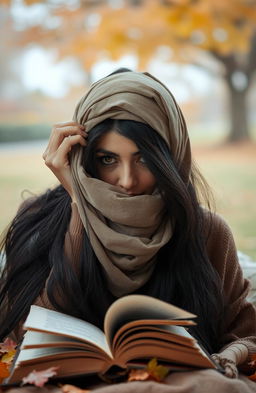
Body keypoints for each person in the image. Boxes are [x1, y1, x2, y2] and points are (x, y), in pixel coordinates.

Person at [1, 68, 256, 393]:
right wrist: (79, 206)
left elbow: (244, 334)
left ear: (171, 157)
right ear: (82, 158)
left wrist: (225, 358)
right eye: (107, 159)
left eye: (144, 160)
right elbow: (26, 336)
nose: (126, 181)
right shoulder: (39, 219)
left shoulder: (207, 231)